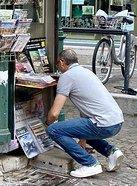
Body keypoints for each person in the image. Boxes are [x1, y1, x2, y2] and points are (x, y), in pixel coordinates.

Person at [46, 49, 124, 178]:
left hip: (103, 124)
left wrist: (47, 124)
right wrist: (82, 140)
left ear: (62, 62)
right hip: (117, 121)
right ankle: (111, 152)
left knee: (54, 130)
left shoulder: (66, 77)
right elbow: (84, 112)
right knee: (84, 127)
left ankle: (89, 163)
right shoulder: (87, 72)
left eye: (58, 64)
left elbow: (54, 114)